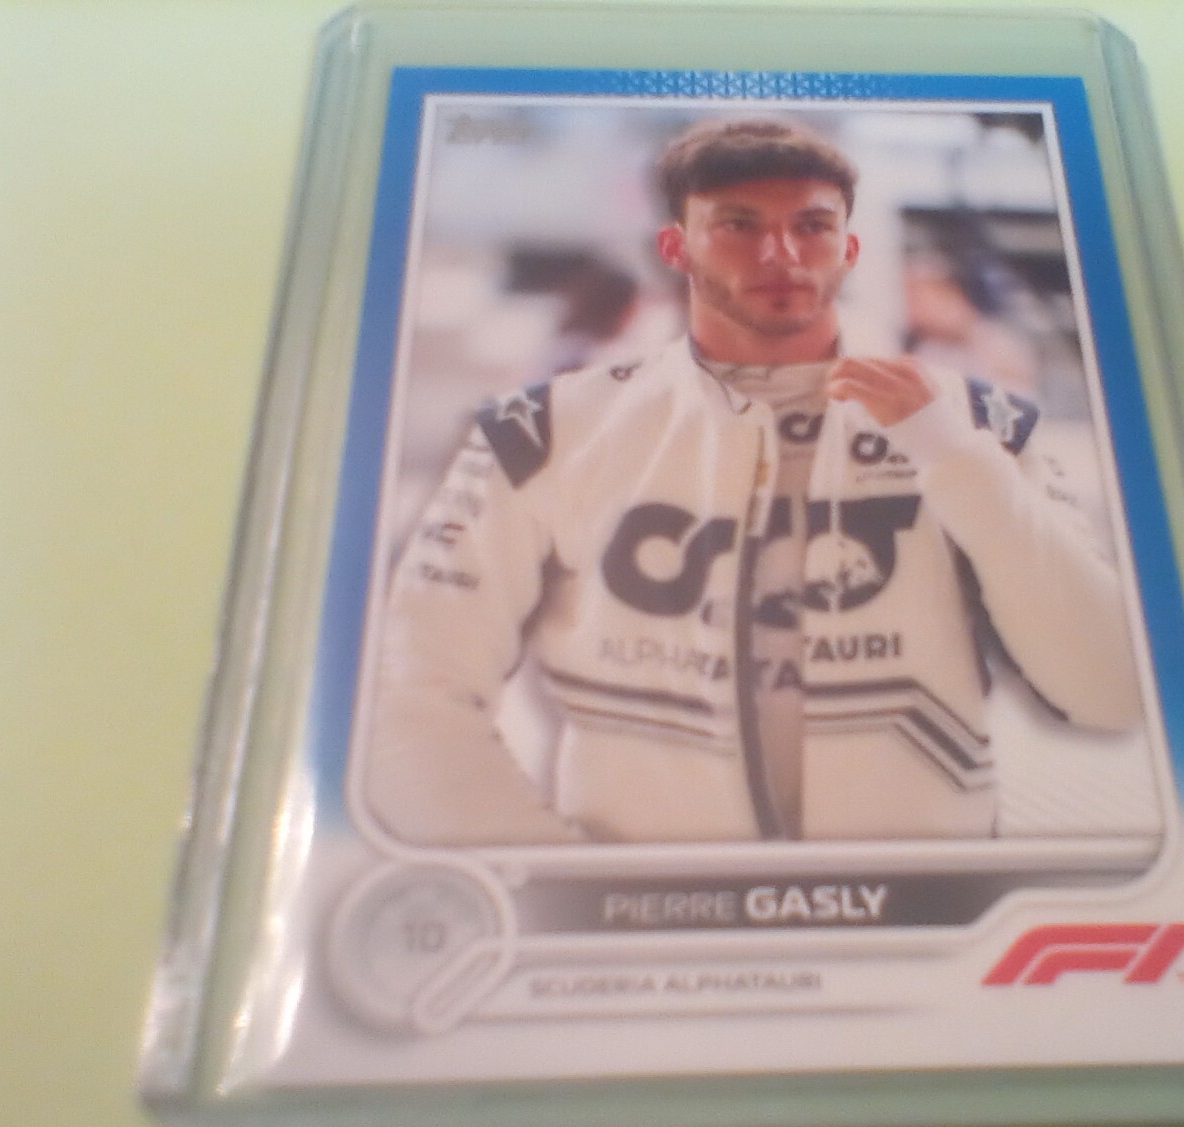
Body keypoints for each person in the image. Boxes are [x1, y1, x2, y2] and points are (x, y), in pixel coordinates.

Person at [358, 118, 1142, 845]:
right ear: (677, 248)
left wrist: (956, 461)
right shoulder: (541, 433)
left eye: (812, 226)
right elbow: (407, 693)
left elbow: (1111, 690)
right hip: (652, 919)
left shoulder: (978, 425)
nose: (781, 255)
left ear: (849, 247)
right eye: (739, 226)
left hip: (928, 911)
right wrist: (555, 876)